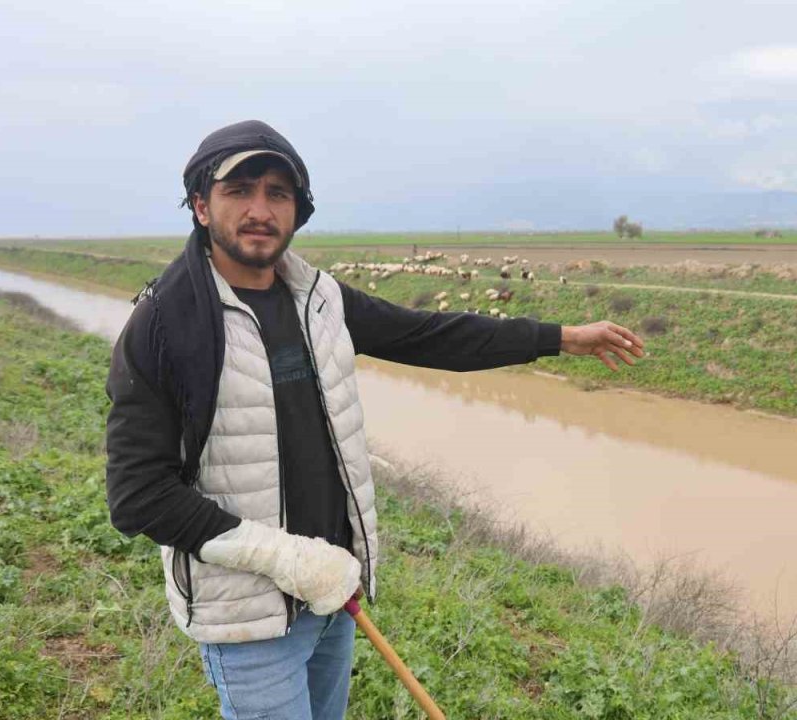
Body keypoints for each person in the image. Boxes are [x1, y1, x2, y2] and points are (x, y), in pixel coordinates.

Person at [103, 120, 645, 720]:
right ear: (202, 205)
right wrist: (289, 560)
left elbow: (429, 335)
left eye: (277, 193)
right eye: (240, 190)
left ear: (298, 211)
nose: (260, 210)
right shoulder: (163, 325)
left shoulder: (320, 300)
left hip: (334, 594)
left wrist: (559, 338)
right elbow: (138, 496)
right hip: (249, 618)